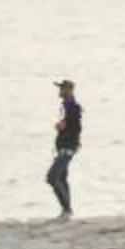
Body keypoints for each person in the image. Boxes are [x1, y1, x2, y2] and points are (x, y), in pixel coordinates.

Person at [46, 79, 82, 219]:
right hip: (64, 147)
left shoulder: (72, 106)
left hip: (67, 147)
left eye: (62, 89)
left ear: (69, 90)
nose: (60, 91)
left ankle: (66, 209)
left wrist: (64, 126)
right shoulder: (66, 106)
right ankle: (67, 210)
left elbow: (76, 127)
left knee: (52, 177)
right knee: (62, 177)